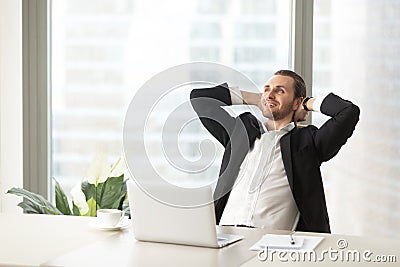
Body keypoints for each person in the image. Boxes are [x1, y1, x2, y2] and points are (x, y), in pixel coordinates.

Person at [190, 70, 360, 233]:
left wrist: (307, 103)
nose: (270, 94)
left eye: (280, 91)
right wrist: (258, 99)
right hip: (225, 236)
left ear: (296, 102)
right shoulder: (240, 132)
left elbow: (348, 112)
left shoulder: (309, 142)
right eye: (267, 89)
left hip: (274, 245)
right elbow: (200, 98)